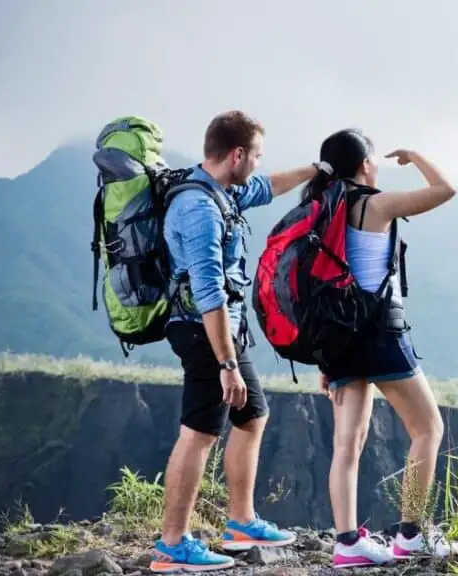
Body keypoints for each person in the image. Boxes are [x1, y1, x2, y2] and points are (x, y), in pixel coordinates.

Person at [149, 110, 323, 573]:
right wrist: (226, 364)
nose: (260, 164)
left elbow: (267, 187)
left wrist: (315, 171)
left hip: (223, 330)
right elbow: (208, 291)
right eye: (257, 155)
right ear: (237, 154)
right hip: (203, 330)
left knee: (252, 415)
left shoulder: (222, 191)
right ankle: (173, 546)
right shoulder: (200, 208)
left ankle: (241, 522)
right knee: (200, 433)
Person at [300, 129, 458, 569]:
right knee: (428, 428)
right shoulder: (376, 203)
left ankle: (347, 543)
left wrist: (323, 355)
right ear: (366, 164)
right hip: (380, 336)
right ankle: (410, 535)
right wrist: (416, 155)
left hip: (338, 339)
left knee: (346, 444)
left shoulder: (321, 209)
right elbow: (445, 190)